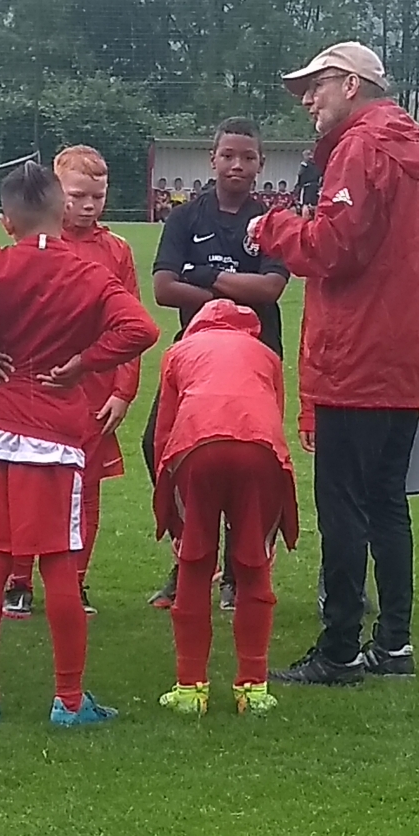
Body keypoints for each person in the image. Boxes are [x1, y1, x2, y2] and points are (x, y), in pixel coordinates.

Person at [0, 161, 160, 727]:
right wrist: (84, 364)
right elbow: (142, 330)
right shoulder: (87, 273)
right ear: (60, 210)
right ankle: (69, 701)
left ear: (7, 221)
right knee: (59, 567)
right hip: (55, 443)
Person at [248, 42, 419, 686]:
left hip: (356, 361)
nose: (307, 99)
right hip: (403, 362)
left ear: (350, 84)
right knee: (388, 505)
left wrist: (273, 229)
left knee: (343, 510)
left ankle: (338, 649)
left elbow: (334, 247)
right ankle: (393, 644)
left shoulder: (361, 149)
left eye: (316, 85)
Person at [145, 118, 290, 609]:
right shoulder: (185, 218)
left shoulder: (269, 222)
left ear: (260, 164)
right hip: (196, 355)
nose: (237, 165)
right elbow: (163, 288)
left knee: (250, 456)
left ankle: (236, 569)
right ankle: (190, 553)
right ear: (213, 159)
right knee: (158, 443)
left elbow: (271, 288)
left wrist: (205, 277)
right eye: (228, 155)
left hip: (256, 355)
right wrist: (230, 293)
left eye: (247, 157)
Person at [1, 144, 140, 619]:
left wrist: (123, 391)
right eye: (78, 195)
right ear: (55, 192)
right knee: (28, 486)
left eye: (97, 197)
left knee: (85, 490)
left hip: (94, 392)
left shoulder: (116, 250)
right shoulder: (32, 243)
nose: (88, 206)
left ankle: (74, 581)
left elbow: (131, 324)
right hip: (37, 387)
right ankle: (19, 580)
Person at [150, 301, 298, 716]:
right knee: (254, 567)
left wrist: (171, 508)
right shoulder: (266, 354)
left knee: (195, 565)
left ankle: (190, 687)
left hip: (196, 448)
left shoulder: (178, 353)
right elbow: (273, 417)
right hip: (260, 450)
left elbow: (163, 434)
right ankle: (253, 687)